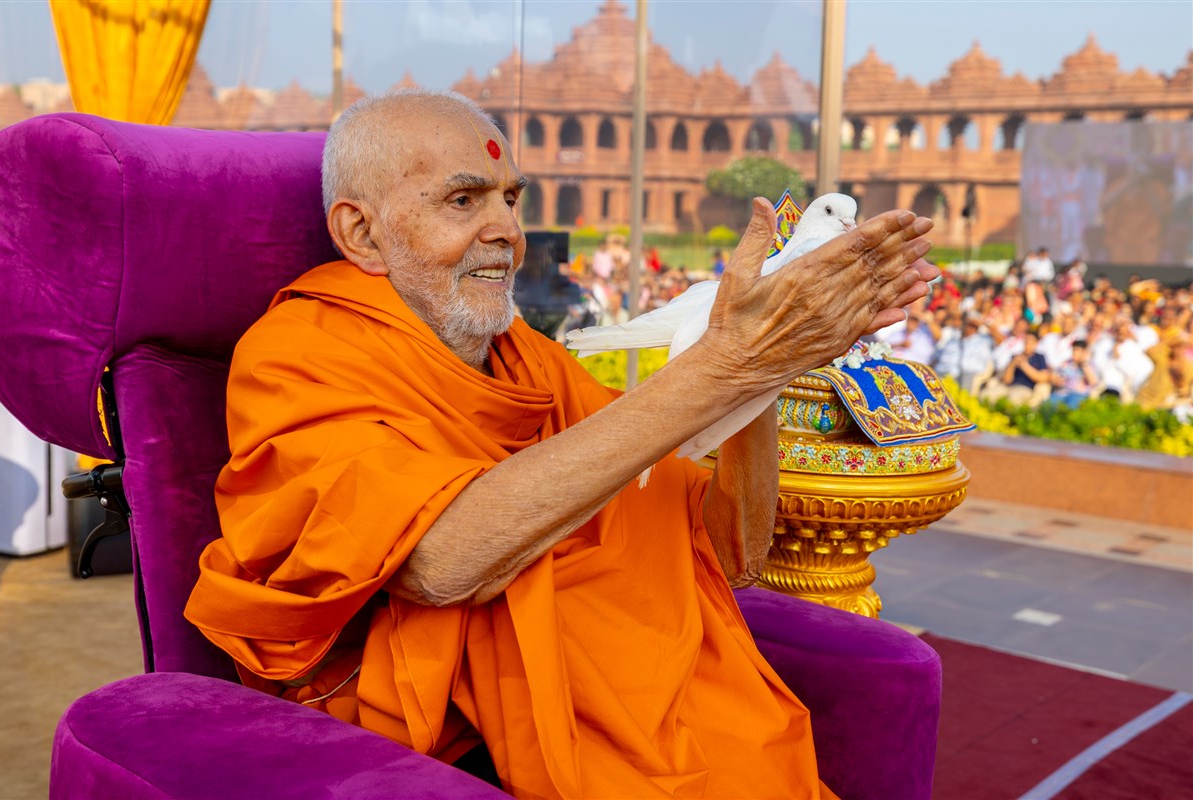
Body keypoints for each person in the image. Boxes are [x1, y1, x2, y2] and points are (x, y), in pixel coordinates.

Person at [184, 90, 937, 800]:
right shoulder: (297, 353)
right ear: (361, 232)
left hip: (627, 705)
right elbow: (438, 565)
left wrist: (765, 374)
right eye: (463, 200)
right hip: (434, 731)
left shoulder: (530, 362)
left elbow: (727, 551)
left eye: (510, 199)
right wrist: (725, 367)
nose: (508, 232)